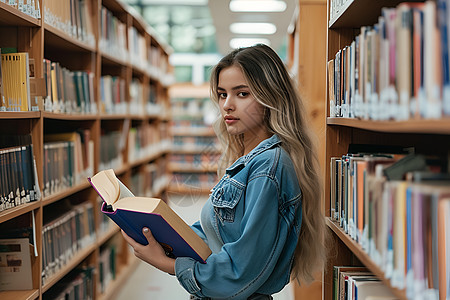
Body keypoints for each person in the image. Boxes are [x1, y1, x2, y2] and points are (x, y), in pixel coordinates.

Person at [121, 44, 327, 299]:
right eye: (222, 94)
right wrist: (162, 233)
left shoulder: (269, 167)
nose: (227, 105)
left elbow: (241, 272)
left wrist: (169, 265)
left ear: (271, 97)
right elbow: (218, 232)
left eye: (242, 94)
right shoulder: (247, 158)